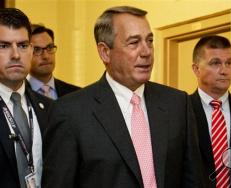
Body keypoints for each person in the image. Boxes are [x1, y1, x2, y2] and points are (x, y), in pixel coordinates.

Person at [42, 6, 204, 188]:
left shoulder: (177, 104)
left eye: (149, 41)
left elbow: (193, 180)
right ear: (105, 52)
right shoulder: (71, 113)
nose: (146, 52)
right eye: (134, 43)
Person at [0, 8, 52, 188]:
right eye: (4, 46)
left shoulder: (50, 108)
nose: (15, 55)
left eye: (22, 46)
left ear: (31, 50)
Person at [190, 35, 231, 188]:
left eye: (229, 63)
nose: (224, 70)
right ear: (196, 69)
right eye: (215, 63)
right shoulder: (181, 111)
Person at [27, 24, 80, 99]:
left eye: (50, 48)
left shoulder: (75, 94)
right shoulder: (18, 95)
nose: (46, 56)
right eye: (37, 50)